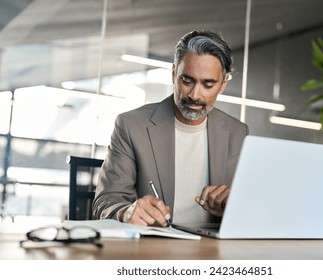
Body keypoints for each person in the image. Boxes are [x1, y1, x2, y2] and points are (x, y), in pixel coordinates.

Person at [92, 29, 249, 226]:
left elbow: (249, 207)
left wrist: (229, 206)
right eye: (187, 80)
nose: (195, 94)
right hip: (153, 247)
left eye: (208, 84)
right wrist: (126, 212)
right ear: (174, 73)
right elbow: (106, 201)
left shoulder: (237, 133)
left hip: (211, 250)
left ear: (223, 84)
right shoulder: (131, 125)